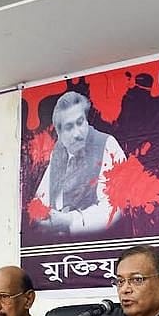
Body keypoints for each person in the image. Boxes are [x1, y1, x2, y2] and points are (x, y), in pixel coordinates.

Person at [34, 91, 126, 235]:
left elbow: (115, 207)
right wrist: (42, 213)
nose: (78, 133)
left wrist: (69, 221)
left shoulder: (108, 144)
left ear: (86, 120)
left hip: (101, 245)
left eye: (80, 122)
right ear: (59, 133)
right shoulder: (58, 152)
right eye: (69, 127)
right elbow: (40, 199)